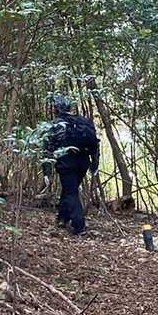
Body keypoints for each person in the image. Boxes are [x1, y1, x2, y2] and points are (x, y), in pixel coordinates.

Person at [43, 95, 99, 235]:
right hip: (83, 161)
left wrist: (46, 171)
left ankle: (79, 225)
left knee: (70, 192)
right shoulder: (83, 121)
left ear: (56, 109)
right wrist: (94, 164)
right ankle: (62, 218)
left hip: (66, 162)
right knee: (69, 189)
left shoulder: (55, 125)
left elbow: (47, 149)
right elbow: (94, 144)